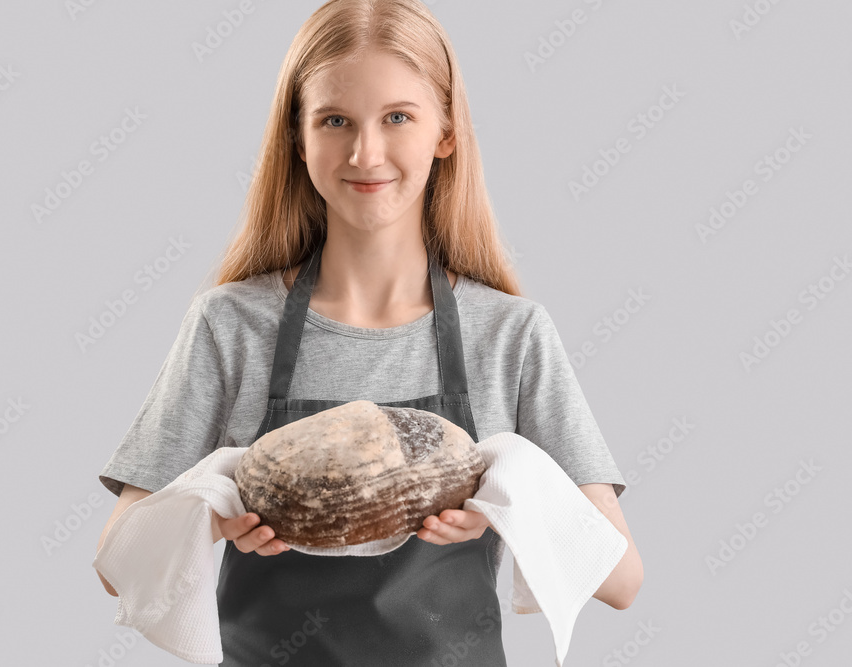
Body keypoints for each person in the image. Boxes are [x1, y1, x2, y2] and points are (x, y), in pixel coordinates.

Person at [95, 0, 643, 664]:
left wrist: (509, 506)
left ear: (446, 130)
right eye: (334, 120)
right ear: (297, 138)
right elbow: (114, 562)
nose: (365, 151)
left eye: (398, 117)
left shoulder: (510, 335)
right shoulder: (230, 325)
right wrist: (206, 517)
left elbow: (621, 579)